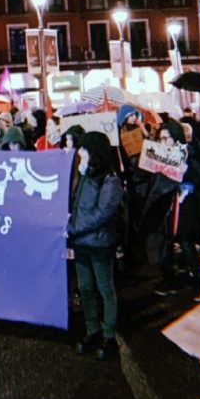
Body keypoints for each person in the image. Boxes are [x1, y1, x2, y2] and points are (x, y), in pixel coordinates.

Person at [67, 131, 123, 361]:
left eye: (84, 149)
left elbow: (101, 214)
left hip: (99, 243)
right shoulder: (84, 175)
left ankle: (109, 337)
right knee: (86, 288)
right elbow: (76, 205)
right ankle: (92, 331)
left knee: (105, 289)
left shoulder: (111, 180)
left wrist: (73, 228)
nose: (80, 153)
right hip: (81, 243)